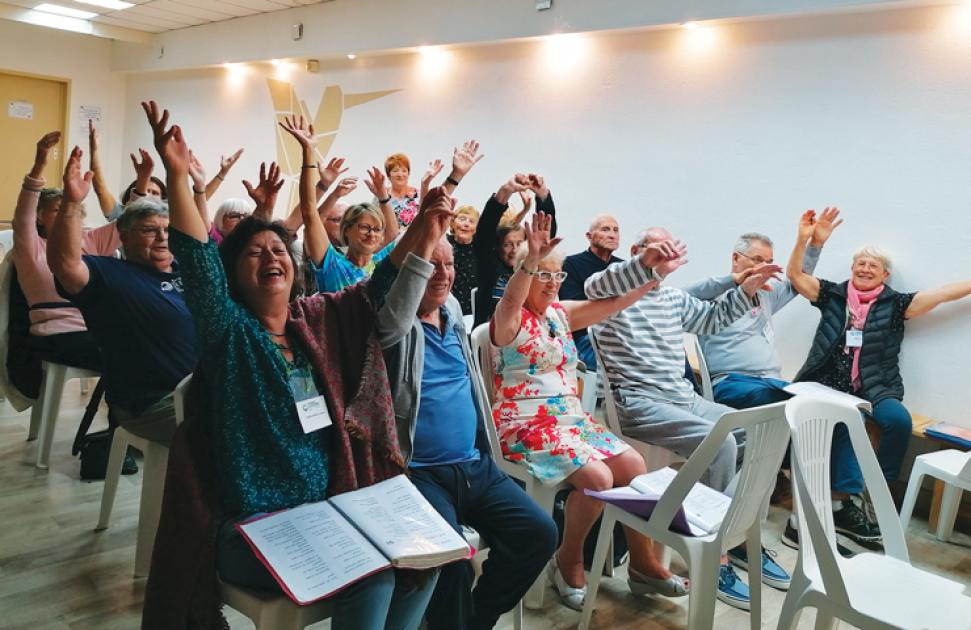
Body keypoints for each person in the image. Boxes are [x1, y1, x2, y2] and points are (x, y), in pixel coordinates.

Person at [142, 102, 451, 628]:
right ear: (234, 276)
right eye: (254, 254)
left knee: (426, 560)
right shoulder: (232, 334)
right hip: (256, 525)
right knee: (373, 578)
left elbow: (376, 289)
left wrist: (424, 224)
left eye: (278, 250)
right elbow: (196, 259)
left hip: (331, 510)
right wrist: (175, 176)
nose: (271, 258)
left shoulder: (315, 324)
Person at [490, 213, 690, 610]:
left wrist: (655, 274)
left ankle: (643, 564)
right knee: (598, 476)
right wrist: (531, 260)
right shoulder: (509, 318)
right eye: (541, 275)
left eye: (557, 275)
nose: (550, 283)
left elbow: (615, 303)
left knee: (633, 465)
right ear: (525, 274)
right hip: (525, 423)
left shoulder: (560, 314)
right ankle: (569, 559)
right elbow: (513, 297)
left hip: (571, 421)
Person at [585, 227, 780, 611]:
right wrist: (646, 265)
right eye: (650, 250)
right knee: (720, 442)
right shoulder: (613, 295)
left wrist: (746, 289)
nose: (660, 256)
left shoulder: (674, 299)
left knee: (760, 433)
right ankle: (711, 553)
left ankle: (729, 531)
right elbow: (594, 284)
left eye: (666, 250)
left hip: (681, 398)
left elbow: (712, 318)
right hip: (638, 403)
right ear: (636, 253)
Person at [372, 228, 558, 630]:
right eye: (430, 266)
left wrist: (529, 261)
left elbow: (505, 300)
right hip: (417, 474)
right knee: (452, 560)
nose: (443, 274)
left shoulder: (453, 310)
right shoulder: (394, 325)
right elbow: (389, 309)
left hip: (474, 467)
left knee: (539, 533)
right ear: (409, 274)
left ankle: (477, 620)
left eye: (450, 264)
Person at [787, 208, 971, 545]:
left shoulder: (897, 305)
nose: (866, 268)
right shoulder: (832, 295)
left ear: (884, 275)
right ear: (852, 269)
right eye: (860, 263)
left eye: (874, 265)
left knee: (897, 421)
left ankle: (877, 492)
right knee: (826, 421)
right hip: (825, 382)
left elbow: (944, 293)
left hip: (875, 388)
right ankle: (835, 500)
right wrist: (806, 241)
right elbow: (796, 276)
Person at [47, 147, 196, 448]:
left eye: (167, 230)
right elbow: (65, 265)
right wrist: (72, 204)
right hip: (153, 404)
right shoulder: (109, 275)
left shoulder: (187, 274)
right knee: (237, 430)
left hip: (204, 391)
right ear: (125, 238)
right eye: (149, 231)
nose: (163, 237)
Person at [11, 132, 119, 378]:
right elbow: (23, 215)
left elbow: (129, 225)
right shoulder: (31, 245)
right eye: (58, 209)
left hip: (98, 329)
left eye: (74, 208)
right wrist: (40, 164)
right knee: (133, 355)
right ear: (40, 216)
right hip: (57, 334)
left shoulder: (91, 240)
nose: (66, 214)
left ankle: (129, 414)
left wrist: (143, 183)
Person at [472, 173, 555, 327]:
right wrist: (505, 192)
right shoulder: (490, 268)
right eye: (508, 244)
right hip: (493, 336)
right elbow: (485, 232)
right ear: (497, 247)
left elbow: (546, 238)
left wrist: (543, 196)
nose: (514, 250)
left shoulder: (532, 268)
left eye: (519, 243)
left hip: (529, 334)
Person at [559, 214, 623, 369]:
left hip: (620, 333)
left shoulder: (622, 267)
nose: (612, 235)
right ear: (589, 236)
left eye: (616, 230)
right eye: (605, 229)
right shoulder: (571, 264)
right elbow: (573, 308)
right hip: (587, 335)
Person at [447, 205, 479, 315]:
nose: (466, 224)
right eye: (462, 219)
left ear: (476, 229)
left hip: (473, 309)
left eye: (471, 221)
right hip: (447, 304)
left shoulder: (480, 248)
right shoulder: (444, 242)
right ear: (452, 223)